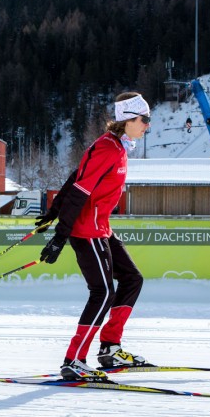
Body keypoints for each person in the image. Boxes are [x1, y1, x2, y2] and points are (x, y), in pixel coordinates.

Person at [37, 92, 152, 381]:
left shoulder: (118, 147)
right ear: (128, 120)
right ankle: (74, 360)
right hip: (86, 229)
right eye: (144, 119)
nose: (147, 125)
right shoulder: (108, 149)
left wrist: (53, 210)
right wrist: (60, 234)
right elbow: (80, 189)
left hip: (101, 227)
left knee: (132, 279)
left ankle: (110, 348)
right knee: (102, 293)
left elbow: (77, 175)